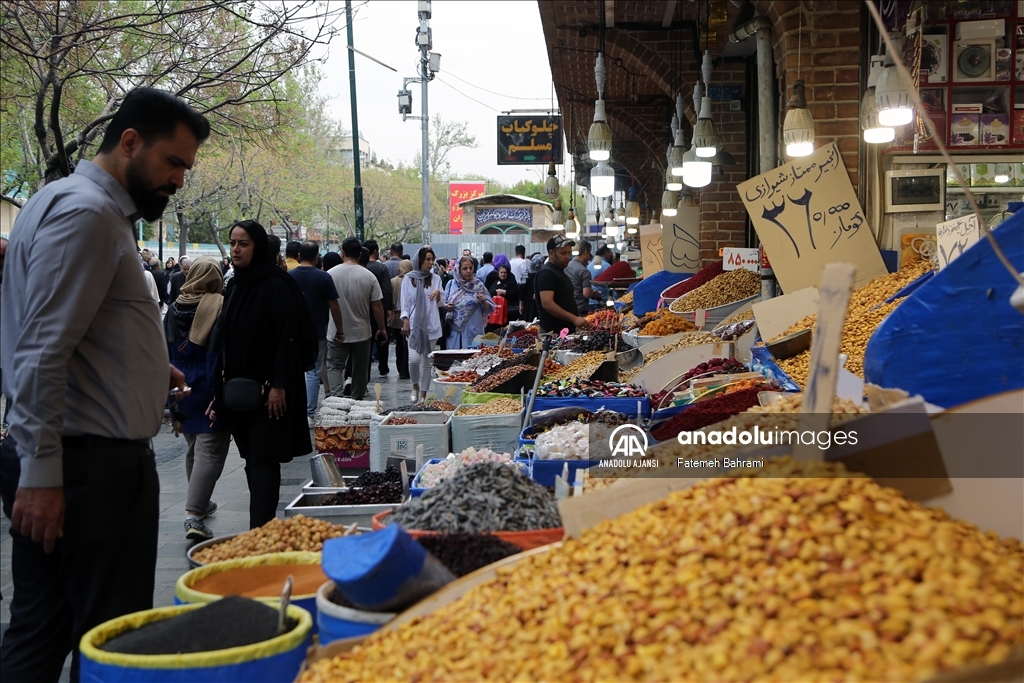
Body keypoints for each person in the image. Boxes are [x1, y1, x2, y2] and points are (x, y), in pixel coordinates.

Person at [0, 86, 205, 683]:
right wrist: (42, 474)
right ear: (130, 142)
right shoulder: (88, 214)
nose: (179, 181)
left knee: (42, 632)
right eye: (173, 163)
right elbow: (39, 349)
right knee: (109, 641)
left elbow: (67, 331)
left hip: (79, 462)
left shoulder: (69, 204)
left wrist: (142, 368)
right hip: (86, 470)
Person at [213, 220, 318, 529]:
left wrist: (280, 384)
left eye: (243, 243)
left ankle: (261, 527)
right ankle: (261, 524)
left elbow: (290, 338)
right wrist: (216, 392)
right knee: (251, 458)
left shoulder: (277, 284)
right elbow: (224, 342)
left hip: (271, 392)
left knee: (263, 457)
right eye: (233, 242)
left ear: (257, 247)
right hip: (238, 392)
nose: (235, 249)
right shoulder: (236, 284)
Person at [164, 257, 231, 541]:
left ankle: (201, 503)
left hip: (179, 382)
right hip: (207, 381)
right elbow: (220, 349)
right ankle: (194, 515)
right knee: (211, 449)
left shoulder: (175, 306)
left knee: (194, 447)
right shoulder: (218, 304)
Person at [290, 241, 345, 427]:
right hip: (317, 331)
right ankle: (309, 413)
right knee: (314, 372)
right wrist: (340, 329)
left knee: (294, 370)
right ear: (316, 257)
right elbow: (335, 307)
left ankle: (294, 411)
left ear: (299, 255)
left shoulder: (289, 276)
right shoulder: (323, 277)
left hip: (293, 332)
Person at [325, 238, 387, 401]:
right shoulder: (368, 276)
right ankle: (356, 400)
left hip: (336, 331)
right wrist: (381, 328)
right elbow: (377, 305)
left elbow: (328, 305)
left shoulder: (330, 275)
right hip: (362, 332)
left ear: (342, 253)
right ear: (360, 254)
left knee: (334, 367)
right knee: (360, 369)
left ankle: (337, 399)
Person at [401, 247, 444, 403]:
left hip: (431, 326)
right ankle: (415, 385)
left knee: (427, 363)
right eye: (427, 259)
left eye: (432, 259)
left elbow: (441, 304)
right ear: (419, 260)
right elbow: (404, 303)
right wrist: (405, 320)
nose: (431, 263)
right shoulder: (408, 279)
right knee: (413, 360)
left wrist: (439, 293)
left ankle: (423, 396)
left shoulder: (436, 279)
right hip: (414, 326)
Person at [535, 236, 586, 334]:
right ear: (551, 253)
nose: (567, 257)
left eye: (569, 253)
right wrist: (574, 318)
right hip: (552, 334)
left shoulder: (558, 271)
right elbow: (547, 303)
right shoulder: (547, 273)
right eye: (563, 253)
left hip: (563, 332)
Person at [443, 257, 493, 349]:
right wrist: (447, 306)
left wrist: (483, 300)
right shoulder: (451, 284)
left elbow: (488, 308)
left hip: (474, 330)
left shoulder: (478, 285)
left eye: (471, 268)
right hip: (454, 332)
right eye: (465, 268)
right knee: (454, 360)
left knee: (473, 359)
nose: (468, 271)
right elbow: (443, 303)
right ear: (458, 269)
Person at [363, 239, 394, 378]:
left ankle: (366, 367)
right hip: (379, 307)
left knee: (366, 340)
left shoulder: (362, 267)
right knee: (382, 337)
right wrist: (388, 308)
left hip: (363, 308)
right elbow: (387, 290)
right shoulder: (382, 268)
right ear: (376, 251)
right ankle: (383, 367)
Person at [389, 259, 412, 379]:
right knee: (407, 344)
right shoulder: (412, 281)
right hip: (407, 315)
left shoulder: (393, 281)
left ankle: (400, 367)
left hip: (395, 316)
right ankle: (405, 369)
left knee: (399, 343)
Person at [566, 239, 597, 315]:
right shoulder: (584, 271)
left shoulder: (566, 266)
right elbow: (586, 294)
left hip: (567, 308)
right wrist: (595, 294)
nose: (589, 258)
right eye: (589, 253)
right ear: (586, 252)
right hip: (580, 310)